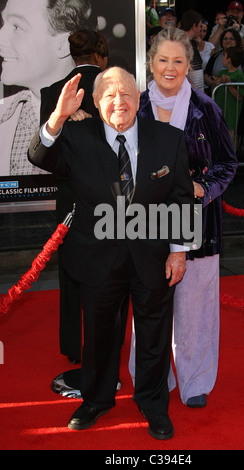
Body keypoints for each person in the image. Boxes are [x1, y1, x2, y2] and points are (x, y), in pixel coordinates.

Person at [28, 67, 195, 438]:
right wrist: (57, 116)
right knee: (100, 334)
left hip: (152, 256)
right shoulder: (76, 137)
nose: (119, 102)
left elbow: (181, 196)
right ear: (96, 101)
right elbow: (38, 155)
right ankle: (96, 400)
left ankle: (153, 403)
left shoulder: (168, 139)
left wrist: (178, 252)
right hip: (97, 256)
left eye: (126, 95)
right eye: (109, 95)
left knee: (153, 333)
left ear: (139, 99)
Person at [128, 27, 238, 408]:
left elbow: (227, 164)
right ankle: (152, 375)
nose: (171, 68)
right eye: (163, 60)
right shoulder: (135, 107)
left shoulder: (207, 109)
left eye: (179, 61)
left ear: (190, 64)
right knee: (150, 303)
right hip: (148, 222)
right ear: (151, 63)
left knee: (196, 307)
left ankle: (194, 381)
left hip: (199, 223)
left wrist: (203, 188)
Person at [39, 30, 109, 369]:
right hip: (112, 201)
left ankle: (73, 347)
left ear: (70, 54)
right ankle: (104, 347)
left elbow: (43, 154)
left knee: (70, 277)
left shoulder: (53, 93)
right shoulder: (116, 89)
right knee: (110, 278)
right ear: (101, 54)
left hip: (69, 203)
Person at [0, 0, 94, 176]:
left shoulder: (104, 111)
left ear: (64, 44)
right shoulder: (4, 113)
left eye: (17, 27)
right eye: (4, 23)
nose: (1, 37)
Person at [213, 46, 244, 146]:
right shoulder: (222, 72)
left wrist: (229, 83)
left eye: (224, 56)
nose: (222, 58)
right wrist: (216, 83)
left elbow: (239, 96)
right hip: (219, 113)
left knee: (229, 141)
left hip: (231, 115)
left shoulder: (239, 75)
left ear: (229, 59)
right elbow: (215, 91)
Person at [204, 28, 242, 93]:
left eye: (231, 39)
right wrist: (215, 84)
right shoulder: (215, 56)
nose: (228, 41)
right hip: (218, 94)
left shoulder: (243, 55)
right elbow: (206, 76)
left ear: (237, 41)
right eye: (225, 39)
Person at [180, 10, 204, 92]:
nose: (201, 29)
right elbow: (180, 69)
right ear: (194, 26)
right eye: (200, 26)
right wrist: (193, 87)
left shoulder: (192, 42)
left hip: (196, 92)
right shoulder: (182, 43)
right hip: (190, 93)